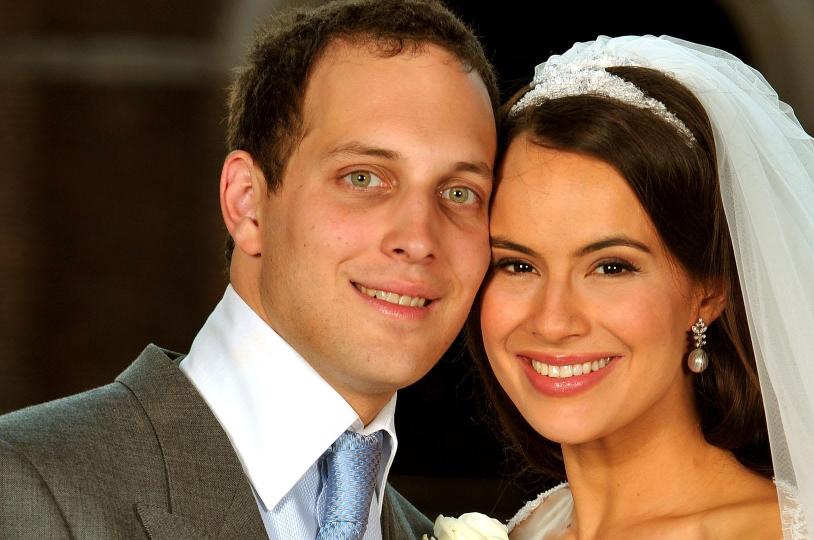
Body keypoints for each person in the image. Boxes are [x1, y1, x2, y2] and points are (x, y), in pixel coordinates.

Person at [0, 1, 497, 539]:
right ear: (247, 204)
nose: (419, 238)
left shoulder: (417, 530)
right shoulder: (27, 482)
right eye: (363, 178)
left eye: (459, 192)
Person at [467, 35, 814, 539]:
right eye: (517, 266)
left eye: (612, 267)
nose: (553, 320)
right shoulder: (529, 527)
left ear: (708, 290)